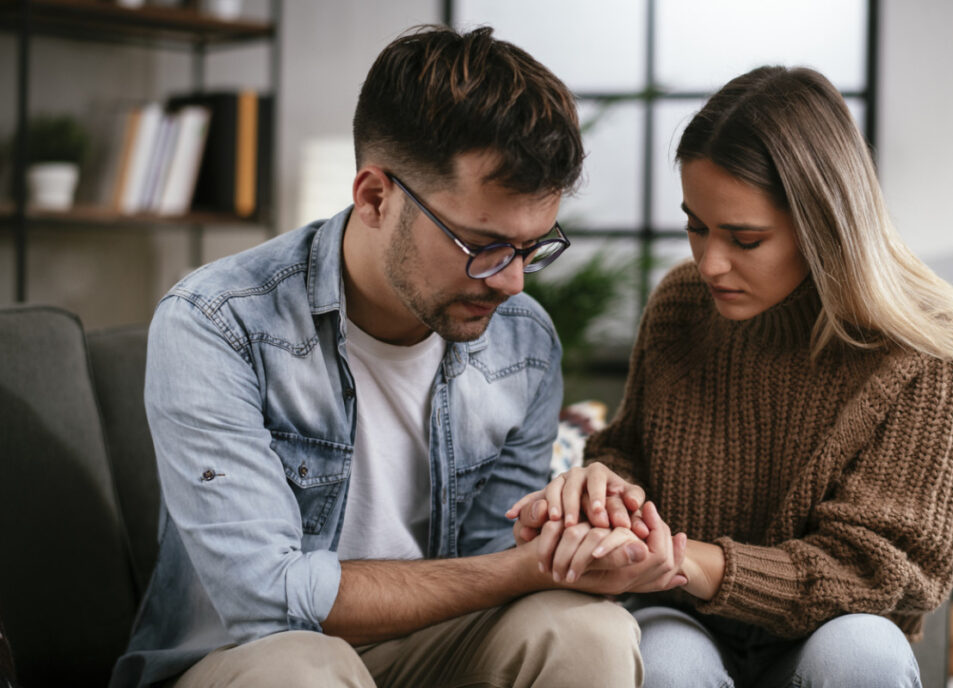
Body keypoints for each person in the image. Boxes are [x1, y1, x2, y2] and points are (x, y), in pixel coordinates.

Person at [110, 25, 689, 688]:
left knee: (587, 631)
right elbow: (267, 597)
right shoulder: (218, 323)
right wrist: (522, 567)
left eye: (532, 248)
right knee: (306, 667)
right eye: (485, 244)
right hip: (245, 661)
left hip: (426, 648)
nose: (512, 282)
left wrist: (578, 546)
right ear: (375, 196)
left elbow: (493, 560)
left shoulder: (523, 342)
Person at [511, 65, 953, 687]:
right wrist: (608, 489)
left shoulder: (922, 352)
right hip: (681, 616)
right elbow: (631, 452)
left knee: (860, 657)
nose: (710, 262)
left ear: (823, 227)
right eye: (696, 225)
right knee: (663, 664)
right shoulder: (682, 305)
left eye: (745, 238)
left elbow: (880, 572)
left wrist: (689, 560)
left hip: (832, 628)